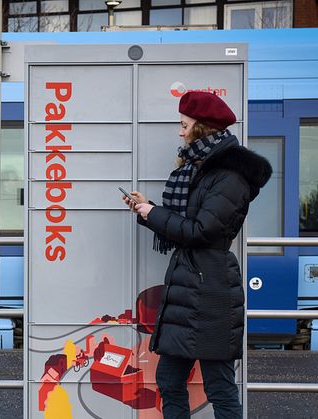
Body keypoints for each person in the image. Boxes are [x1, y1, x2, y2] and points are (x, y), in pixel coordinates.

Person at [122, 91, 272, 418]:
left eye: (184, 124)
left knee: (218, 385)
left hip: (210, 289)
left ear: (201, 128)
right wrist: (146, 210)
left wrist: (153, 213)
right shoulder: (203, 170)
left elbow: (201, 231)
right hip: (193, 286)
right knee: (170, 378)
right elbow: (189, 225)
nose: (180, 132)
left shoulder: (230, 176)